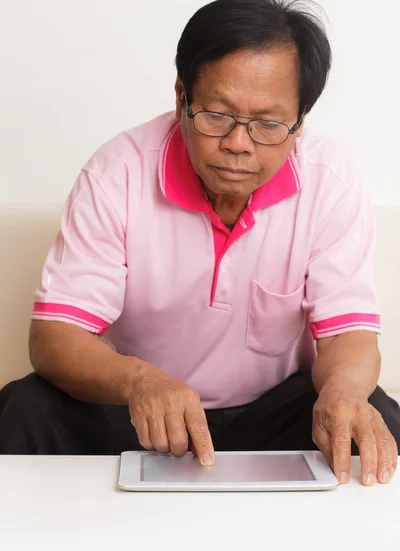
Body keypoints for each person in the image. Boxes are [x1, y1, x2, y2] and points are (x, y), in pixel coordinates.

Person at [0, 0, 399, 487]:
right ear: (181, 96)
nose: (238, 143)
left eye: (268, 124)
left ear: (300, 119)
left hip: (275, 416)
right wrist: (139, 380)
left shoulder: (330, 181)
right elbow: (54, 339)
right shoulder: (116, 175)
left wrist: (343, 391)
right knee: (26, 408)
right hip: (139, 413)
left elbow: (347, 336)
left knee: (372, 414)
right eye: (217, 114)